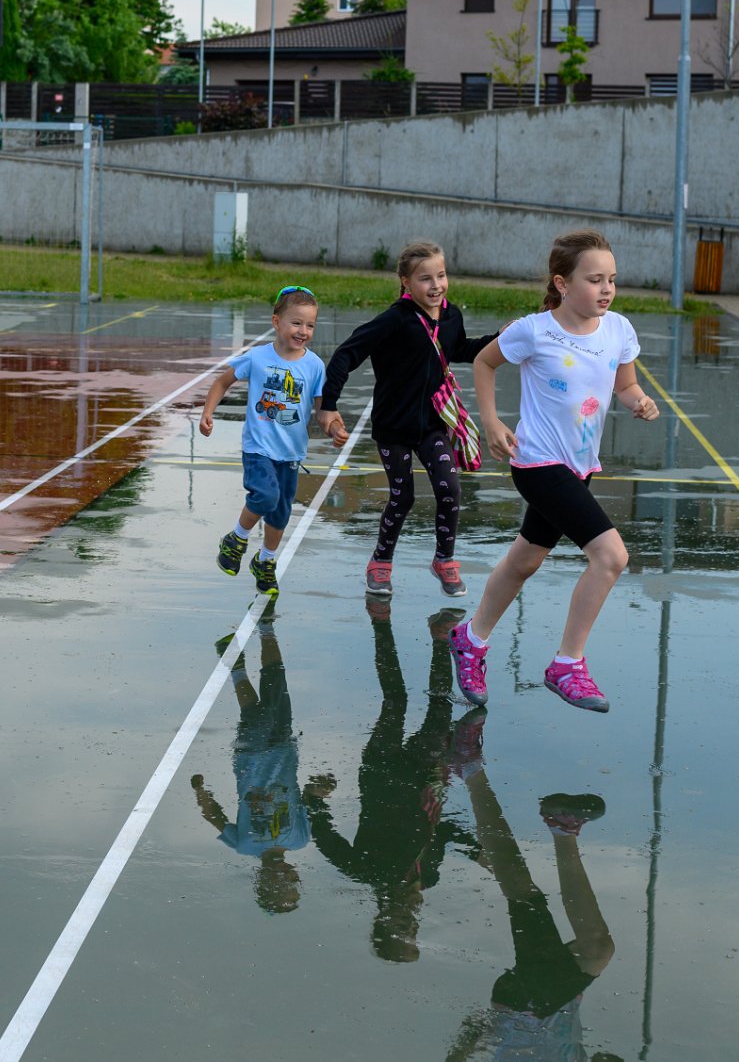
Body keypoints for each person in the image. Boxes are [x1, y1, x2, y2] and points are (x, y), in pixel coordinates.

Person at [447, 231, 659, 714]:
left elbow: (625, 385)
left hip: (579, 466)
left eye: (612, 279)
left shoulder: (618, 330)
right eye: (595, 279)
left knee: (524, 560)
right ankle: (568, 663)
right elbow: (484, 361)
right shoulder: (534, 331)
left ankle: (470, 639)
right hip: (538, 462)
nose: (606, 289)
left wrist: (639, 401)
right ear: (563, 284)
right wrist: (492, 421)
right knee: (611, 556)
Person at [319, 241, 496, 599]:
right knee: (403, 498)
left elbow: (460, 348)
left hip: (432, 425)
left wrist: (502, 340)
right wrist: (329, 404)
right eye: (425, 278)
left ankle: (444, 560)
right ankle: (380, 563)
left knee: (450, 489)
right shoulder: (395, 320)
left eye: (441, 276)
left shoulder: (451, 315)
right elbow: (346, 354)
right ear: (405, 282)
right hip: (393, 428)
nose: (436, 285)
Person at [304, 612, 479, 963]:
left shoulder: (367, 872)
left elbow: (326, 839)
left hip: (382, 774)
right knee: (440, 707)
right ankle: (440, 636)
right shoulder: (427, 876)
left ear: (381, 919)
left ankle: (380, 623)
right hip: (425, 776)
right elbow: (441, 833)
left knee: (395, 701)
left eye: (400, 926)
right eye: (412, 929)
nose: (409, 920)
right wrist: (476, 851)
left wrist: (313, 799)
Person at [443, 762, 618, 1062]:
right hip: (549, 1001)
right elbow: (604, 1058)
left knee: (590, 945)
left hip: (528, 1011)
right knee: (530, 900)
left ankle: (473, 771)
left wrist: (464, 1048)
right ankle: (558, 827)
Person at [198, 286, 335, 598]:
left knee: (280, 513)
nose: (303, 331)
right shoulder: (258, 357)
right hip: (258, 449)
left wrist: (333, 426)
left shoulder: (314, 365)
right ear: (276, 322)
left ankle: (265, 561)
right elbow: (222, 382)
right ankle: (235, 538)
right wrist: (207, 412)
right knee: (265, 496)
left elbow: (322, 408)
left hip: (291, 453)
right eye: (296, 323)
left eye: (310, 325)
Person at [190, 620, 309, 914]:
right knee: (275, 689)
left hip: (251, 759)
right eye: (292, 885)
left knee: (258, 713)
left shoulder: (245, 845)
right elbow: (305, 802)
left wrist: (201, 793)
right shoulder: (301, 839)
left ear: (262, 883)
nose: (287, 879)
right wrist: (319, 791)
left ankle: (240, 660)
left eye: (280, 886)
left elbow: (215, 817)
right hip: (284, 752)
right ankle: (258, 636)